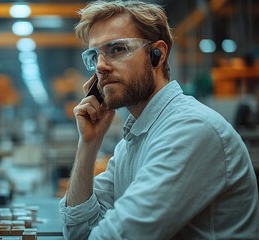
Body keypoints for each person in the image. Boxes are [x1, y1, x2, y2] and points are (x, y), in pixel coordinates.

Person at [58, 1, 259, 239]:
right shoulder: (132, 142)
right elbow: (79, 231)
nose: (100, 66)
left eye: (117, 49)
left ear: (158, 54)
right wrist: (88, 144)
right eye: (94, 55)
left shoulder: (191, 130)